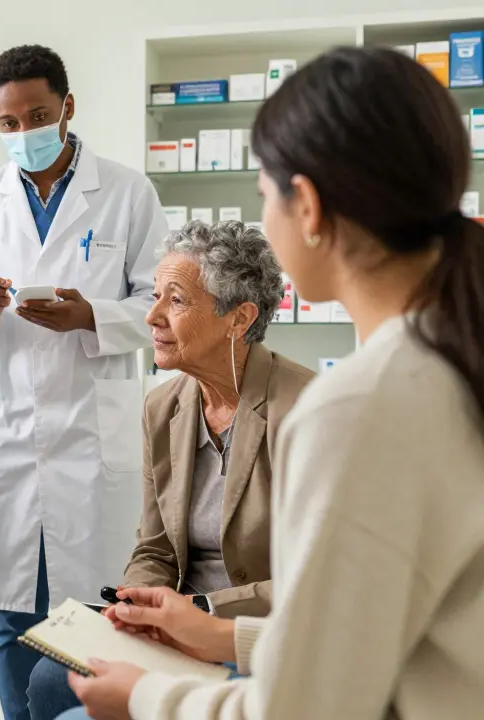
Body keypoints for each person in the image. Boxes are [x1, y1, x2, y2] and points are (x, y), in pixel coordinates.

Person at [65, 46, 484, 720]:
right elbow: (384, 630)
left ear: (308, 207)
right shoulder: (446, 361)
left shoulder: (358, 408)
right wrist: (223, 634)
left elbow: (306, 706)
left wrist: (144, 697)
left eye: (266, 194)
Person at [0, 44, 167, 720]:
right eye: (9, 123)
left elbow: (162, 306)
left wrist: (89, 315)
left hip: (94, 439)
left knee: (93, 618)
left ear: (67, 107)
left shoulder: (127, 193)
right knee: (11, 622)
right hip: (10, 438)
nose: (24, 133)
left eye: (37, 115)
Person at [25, 220, 314, 719]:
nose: (152, 316)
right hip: (179, 624)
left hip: (263, 635)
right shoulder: (164, 407)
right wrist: (139, 604)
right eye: (155, 296)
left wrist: (201, 615)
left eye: (175, 300)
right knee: (52, 675)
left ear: (238, 319)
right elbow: (155, 545)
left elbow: (313, 578)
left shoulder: (306, 411)